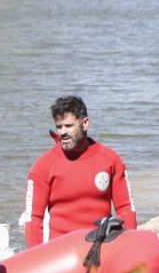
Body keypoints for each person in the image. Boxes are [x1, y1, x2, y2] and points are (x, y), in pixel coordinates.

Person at [22, 95, 138, 247]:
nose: (62, 132)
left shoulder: (111, 160)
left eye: (68, 126)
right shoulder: (43, 167)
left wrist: (129, 247)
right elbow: (33, 220)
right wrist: (37, 257)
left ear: (85, 123)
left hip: (101, 245)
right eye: (59, 127)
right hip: (61, 250)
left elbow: (126, 208)